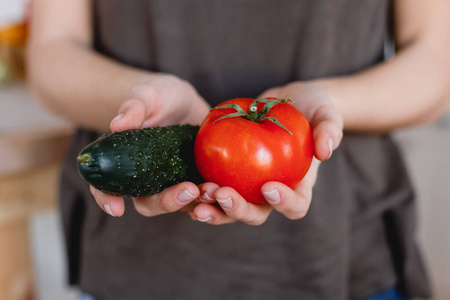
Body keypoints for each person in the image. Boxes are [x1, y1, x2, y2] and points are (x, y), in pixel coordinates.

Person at [27, 0, 450, 299]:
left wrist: (330, 106)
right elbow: (51, 53)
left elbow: (435, 60)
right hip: (135, 265)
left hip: (347, 251)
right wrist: (137, 102)